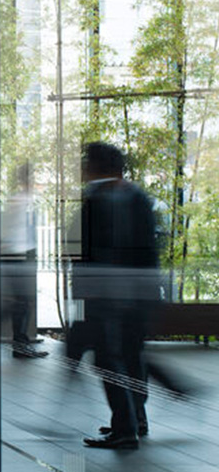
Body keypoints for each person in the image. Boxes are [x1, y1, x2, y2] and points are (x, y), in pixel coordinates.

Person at [71, 142, 159, 449]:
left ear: (95, 167)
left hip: (107, 298)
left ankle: (125, 429)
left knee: (109, 360)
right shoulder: (137, 196)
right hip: (137, 296)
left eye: (85, 162)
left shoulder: (99, 199)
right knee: (132, 357)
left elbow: (88, 255)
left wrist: (84, 300)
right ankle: (135, 418)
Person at [1, 163, 47, 359]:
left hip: (21, 256)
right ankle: (20, 345)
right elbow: (10, 230)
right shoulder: (19, 201)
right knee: (23, 301)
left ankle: (21, 343)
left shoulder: (23, 200)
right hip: (18, 256)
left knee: (23, 301)